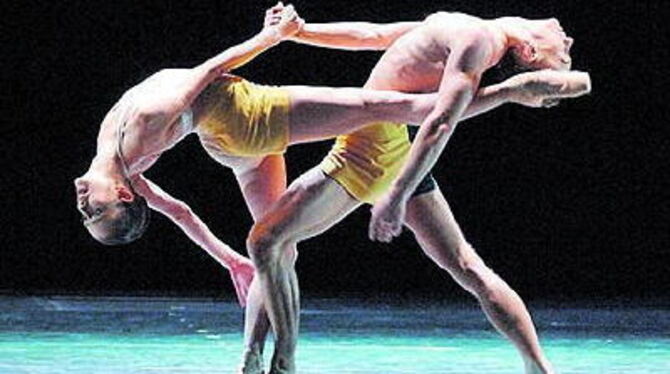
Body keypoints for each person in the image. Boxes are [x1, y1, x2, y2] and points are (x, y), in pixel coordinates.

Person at [243, 5, 590, 374]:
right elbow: (372, 36)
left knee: (267, 241)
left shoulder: (478, 39)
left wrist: (397, 194)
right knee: (466, 265)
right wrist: (301, 31)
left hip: (376, 147)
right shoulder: (469, 28)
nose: (567, 39)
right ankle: (539, 368)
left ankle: (279, 362)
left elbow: (441, 122)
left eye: (563, 53)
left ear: (529, 53)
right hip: (394, 146)